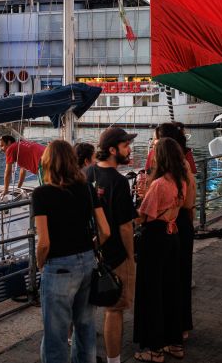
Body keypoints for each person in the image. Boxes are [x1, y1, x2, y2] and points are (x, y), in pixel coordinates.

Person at [33, 140, 110, 363]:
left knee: (55, 334)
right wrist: (91, 247)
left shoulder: (42, 194)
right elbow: (105, 230)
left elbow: (44, 242)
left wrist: (40, 264)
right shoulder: (87, 187)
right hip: (87, 261)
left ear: (48, 163)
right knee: (85, 328)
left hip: (58, 266)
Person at [85, 127, 137, 363]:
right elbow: (126, 226)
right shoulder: (118, 182)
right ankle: (113, 360)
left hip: (88, 254)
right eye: (126, 145)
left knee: (85, 310)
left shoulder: (86, 174)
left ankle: (83, 354)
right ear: (113, 150)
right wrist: (131, 257)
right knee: (114, 310)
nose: (129, 149)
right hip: (115, 255)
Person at [133, 137, 187, 363]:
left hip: (155, 238)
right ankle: (174, 343)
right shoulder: (181, 181)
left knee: (152, 292)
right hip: (172, 235)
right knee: (171, 289)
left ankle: (154, 348)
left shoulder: (158, 184)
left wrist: (139, 199)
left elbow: (143, 217)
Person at [141, 122, 196, 340]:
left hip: (173, 222)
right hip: (181, 221)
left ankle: (173, 329)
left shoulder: (177, 170)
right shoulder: (183, 164)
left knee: (174, 278)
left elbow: (186, 203)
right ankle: (179, 326)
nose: (153, 145)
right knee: (180, 276)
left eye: (156, 141)